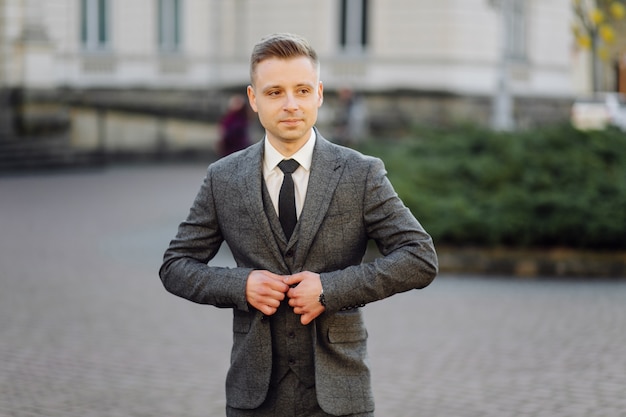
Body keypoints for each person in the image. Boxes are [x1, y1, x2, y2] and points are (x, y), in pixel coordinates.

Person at [159, 33, 438, 417]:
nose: (291, 104)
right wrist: (241, 285)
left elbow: (420, 258)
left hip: (340, 393)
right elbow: (175, 266)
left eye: (302, 90)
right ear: (254, 99)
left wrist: (330, 288)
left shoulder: (361, 173)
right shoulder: (223, 178)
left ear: (319, 94)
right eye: (275, 92)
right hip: (253, 393)